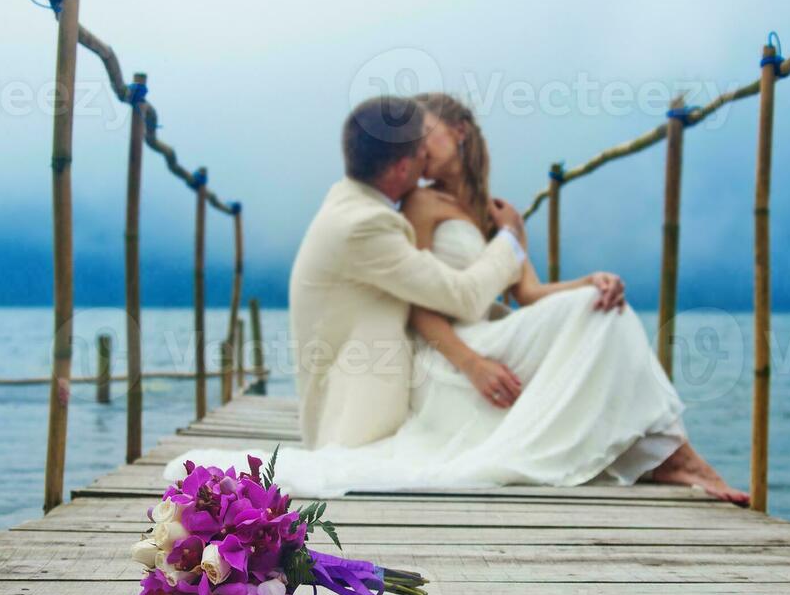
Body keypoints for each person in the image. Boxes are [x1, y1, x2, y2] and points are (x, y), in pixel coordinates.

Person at [167, 94, 746, 504]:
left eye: (429, 133)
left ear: (458, 134)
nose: (421, 147)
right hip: (453, 344)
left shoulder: (490, 210)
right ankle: (674, 459)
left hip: (488, 325)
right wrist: (476, 347)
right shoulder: (407, 212)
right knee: (597, 325)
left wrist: (590, 282)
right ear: (401, 163)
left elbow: (527, 293)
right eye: (414, 143)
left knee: (602, 309)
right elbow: (436, 302)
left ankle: (665, 457)